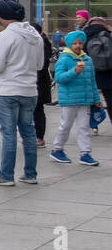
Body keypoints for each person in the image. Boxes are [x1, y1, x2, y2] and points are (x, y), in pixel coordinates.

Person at [0, 0, 45, 188]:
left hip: (7, 91)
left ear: (3, 16)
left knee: (8, 133)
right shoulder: (36, 36)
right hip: (29, 90)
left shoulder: (4, 36)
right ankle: (30, 173)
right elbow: (40, 65)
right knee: (29, 132)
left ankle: (6, 175)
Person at [50, 30, 103, 166]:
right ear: (69, 44)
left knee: (84, 127)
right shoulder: (64, 58)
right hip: (69, 99)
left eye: (80, 43)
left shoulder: (88, 59)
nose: (78, 45)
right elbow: (59, 78)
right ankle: (57, 149)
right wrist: (74, 72)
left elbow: (92, 81)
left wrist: (96, 99)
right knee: (65, 125)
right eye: (75, 43)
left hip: (85, 99)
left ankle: (85, 153)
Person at [83, 15, 112, 117]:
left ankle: (92, 126)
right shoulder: (107, 35)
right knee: (109, 100)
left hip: (90, 73)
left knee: (89, 102)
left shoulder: (85, 35)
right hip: (107, 74)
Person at [33, 23, 55, 147]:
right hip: (41, 81)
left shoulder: (40, 44)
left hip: (38, 81)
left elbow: (40, 66)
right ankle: (39, 137)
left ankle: (38, 137)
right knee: (38, 110)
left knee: (36, 110)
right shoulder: (44, 42)